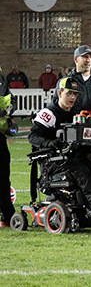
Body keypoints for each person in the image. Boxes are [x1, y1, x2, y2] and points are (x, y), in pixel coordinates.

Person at [30, 77, 91, 214]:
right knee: (80, 169)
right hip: (51, 162)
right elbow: (32, 136)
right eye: (69, 93)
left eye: (75, 94)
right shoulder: (49, 113)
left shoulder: (76, 113)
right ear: (59, 93)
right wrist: (49, 143)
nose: (72, 97)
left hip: (70, 158)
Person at [63, 45, 91, 112]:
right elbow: (56, 105)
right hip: (72, 121)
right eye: (85, 57)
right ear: (76, 59)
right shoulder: (66, 81)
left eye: (90, 57)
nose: (88, 60)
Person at [0, 67, 10, 227]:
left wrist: (9, 111)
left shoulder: (1, 78)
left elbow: (8, 99)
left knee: (3, 177)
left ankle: (7, 216)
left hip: (0, 134)